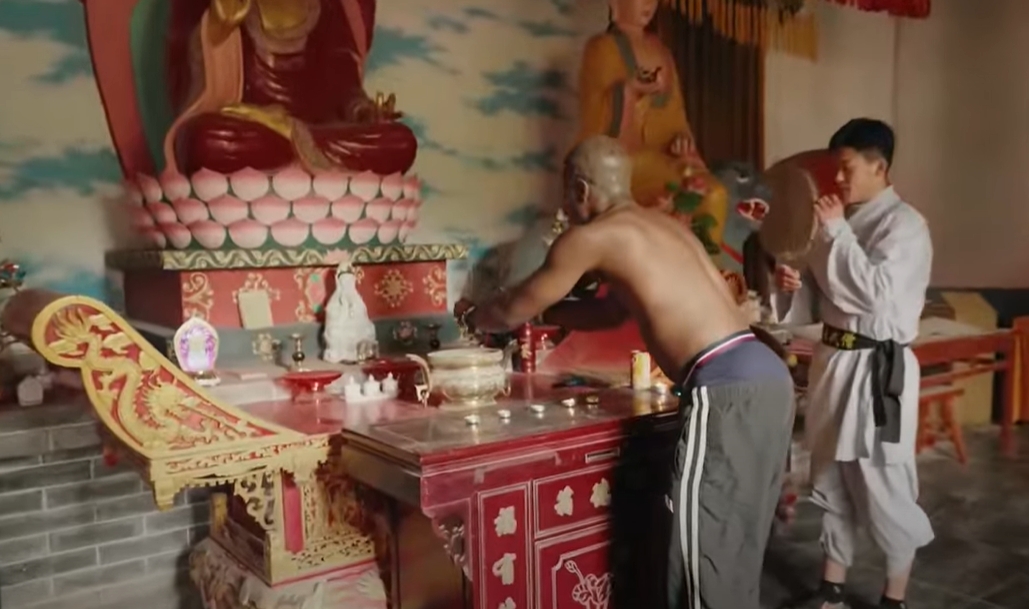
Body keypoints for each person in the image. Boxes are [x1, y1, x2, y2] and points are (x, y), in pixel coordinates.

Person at [455, 135, 794, 609]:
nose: (565, 210)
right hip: (765, 373)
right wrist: (546, 312)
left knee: (703, 558)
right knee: (735, 548)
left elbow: (512, 307)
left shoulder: (591, 237)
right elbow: (610, 313)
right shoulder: (664, 227)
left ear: (580, 189)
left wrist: (474, 316)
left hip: (724, 385)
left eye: (566, 196)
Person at [774, 118, 934, 609]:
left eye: (847, 168)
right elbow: (819, 302)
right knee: (832, 477)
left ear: (878, 166)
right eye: (836, 169)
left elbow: (873, 295)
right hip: (835, 363)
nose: (839, 179)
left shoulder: (905, 225)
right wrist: (793, 286)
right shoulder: (838, 223)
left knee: (884, 482)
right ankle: (832, 589)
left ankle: (894, 598)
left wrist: (837, 231)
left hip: (878, 372)